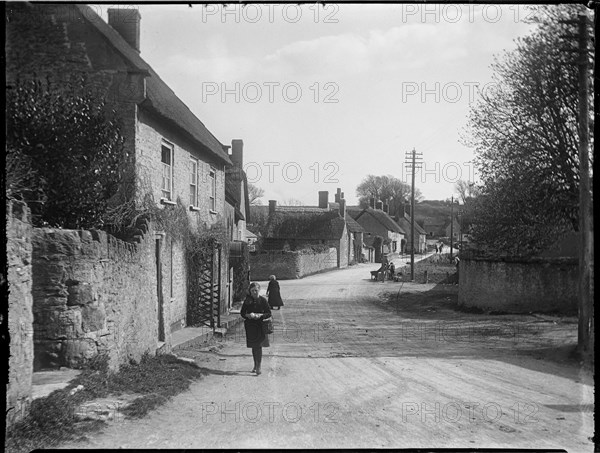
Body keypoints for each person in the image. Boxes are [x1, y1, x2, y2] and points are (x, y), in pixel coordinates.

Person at [241, 282, 272, 375]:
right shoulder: (247, 301)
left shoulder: (263, 300)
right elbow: (242, 313)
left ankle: (258, 366)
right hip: (250, 326)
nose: (254, 292)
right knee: (254, 346)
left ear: (259, 290)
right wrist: (248, 315)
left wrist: (260, 315)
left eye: (256, 290)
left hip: (260, 325)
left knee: (259, 346)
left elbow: (269, 313)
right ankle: (255, 364)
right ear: (250, 291)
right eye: (252, 291)